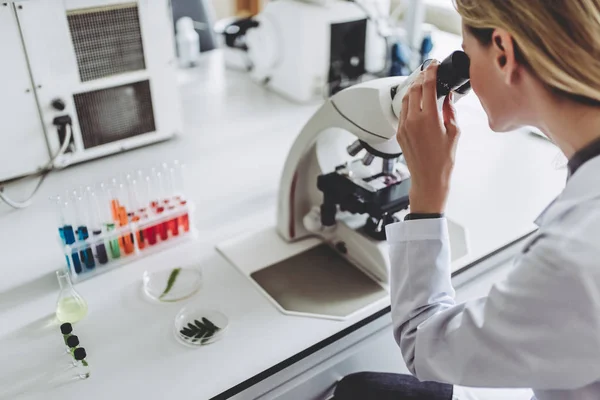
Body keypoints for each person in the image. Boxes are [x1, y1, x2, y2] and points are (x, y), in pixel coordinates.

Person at [333, 0, 600, 399]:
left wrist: (426, 193)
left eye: (466, 53)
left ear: (504, 53)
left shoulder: (572, 258)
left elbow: (424, 344)